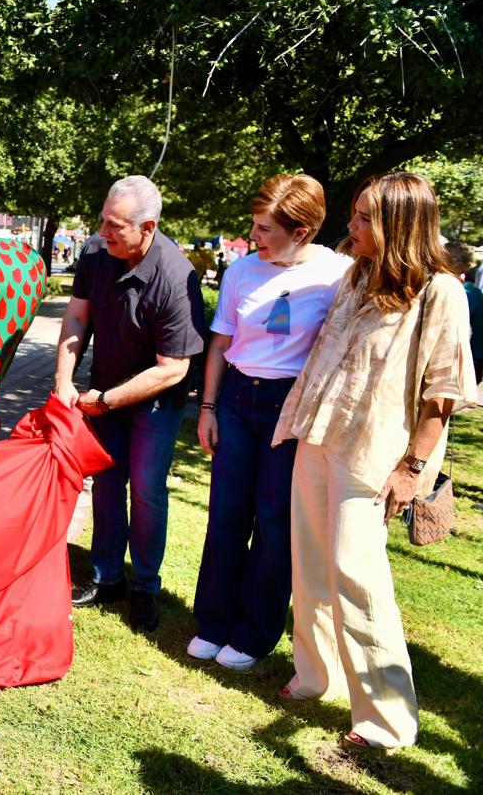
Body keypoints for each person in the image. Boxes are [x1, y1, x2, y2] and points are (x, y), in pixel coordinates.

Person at [272, 171, 476, 750]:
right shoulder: (358, 274)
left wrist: (411, 469)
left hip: (377, 453)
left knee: (356, 576)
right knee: (309, 566)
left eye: (365, 218)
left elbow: (443, 392)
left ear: (400, 226)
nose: (352, 226)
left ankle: (386, 720)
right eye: (355, 214)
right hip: (320, 433)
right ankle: (317, 677)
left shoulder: (441, 291)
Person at [189, 175, 350, 672]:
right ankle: (213, 623)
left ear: (301, 231)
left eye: (265, 228)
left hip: (291, 405)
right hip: (237, 399)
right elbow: (220, 343)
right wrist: (208, 408)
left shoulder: (338, 274)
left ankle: (255, 633)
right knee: (227, 515)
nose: (253, 236)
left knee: (276, 522)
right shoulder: (241, 272)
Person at [54, 175, 205, 632]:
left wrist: (109, 399)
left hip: (154, 399)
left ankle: (144, 587)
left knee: (145, 490)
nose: (104, 232)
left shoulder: (176, 276)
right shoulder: (97, 254)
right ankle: (105, 577)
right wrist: (64, 380)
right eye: (103, 220)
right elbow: (78, 314)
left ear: (148, 227)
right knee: (106, 482)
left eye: (115, 225)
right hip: (104, 392)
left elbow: (173, 368)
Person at [444, 242, 483, 381]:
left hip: (453, 358)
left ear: (466, 264)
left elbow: (479, 332)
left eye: (453, 259)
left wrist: (477, 361)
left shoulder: (472, 294)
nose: (445, 261)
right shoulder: (425, 285)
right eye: (442, 256)